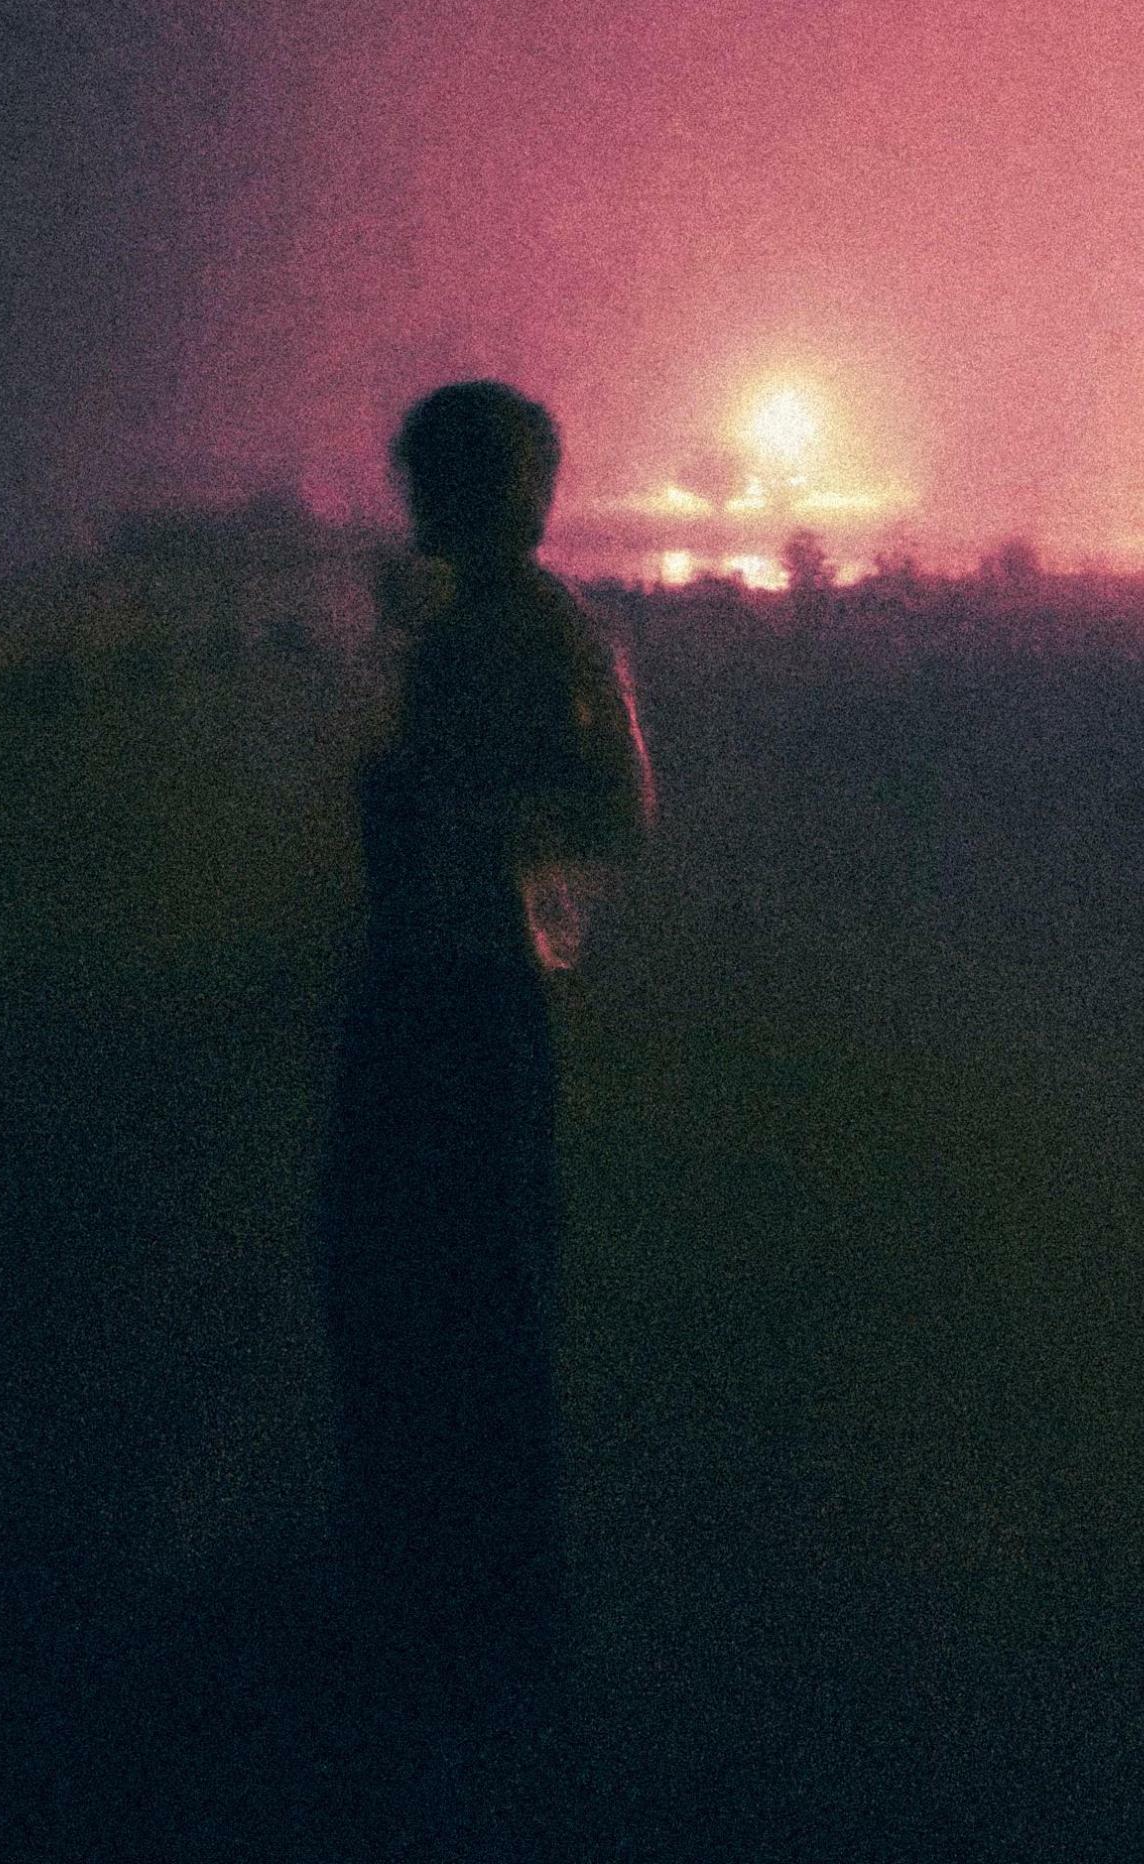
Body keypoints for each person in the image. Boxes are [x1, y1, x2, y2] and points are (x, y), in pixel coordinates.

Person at [317, 381, 653, 1816]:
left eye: (455, 477)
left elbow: (617, 811)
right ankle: (447, 1566)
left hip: (468, 984)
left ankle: (487, 1598)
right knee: (413, 1268)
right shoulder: (452, 625)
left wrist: (468, 819)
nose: (429, 501)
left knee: (470, 1277)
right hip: (426, 972)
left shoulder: (544, 633)